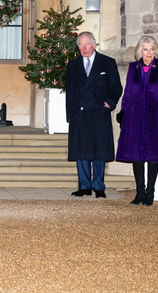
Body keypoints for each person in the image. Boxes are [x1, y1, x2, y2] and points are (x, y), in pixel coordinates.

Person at [115, 36, 158, 206]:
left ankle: (150, 192)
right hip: (134, 116)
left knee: (153, 155)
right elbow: (127, 93)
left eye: (152, 49)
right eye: (145, 49)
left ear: (155, 50)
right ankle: (139, 192)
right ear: (139, 51)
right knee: (137, 156)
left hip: (154, 116)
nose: (149, 53)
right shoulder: (133, 67)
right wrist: (123, 112)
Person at [65, 31, 123, 198]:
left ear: (94, 44)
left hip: (99, 113)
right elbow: (70, 92)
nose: (84, 48)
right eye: (81, 45)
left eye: (87, 44)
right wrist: (69, 114)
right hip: (80, 114)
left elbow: (116, 87)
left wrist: (110, 103)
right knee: (81, 152)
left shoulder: (107, 62)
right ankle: (84, 186)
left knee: (99, 151)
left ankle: (98, 186)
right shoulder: (73, 65)